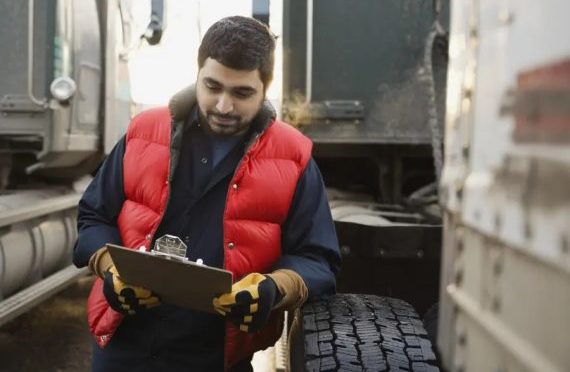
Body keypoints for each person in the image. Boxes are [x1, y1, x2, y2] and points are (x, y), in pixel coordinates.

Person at [74, 15, 340, 372]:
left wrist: (273, 289)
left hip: (217, 357)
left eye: (242, 93)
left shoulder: (295, 158)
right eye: (212, 86)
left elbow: (318, 260)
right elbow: (93, 217)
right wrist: (111, 272)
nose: (223, 106)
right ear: (198, 73)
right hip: (122, 349)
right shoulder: (142, 132)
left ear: (266, 87)